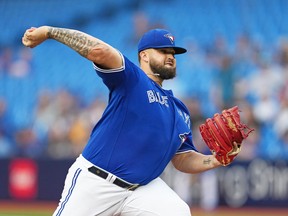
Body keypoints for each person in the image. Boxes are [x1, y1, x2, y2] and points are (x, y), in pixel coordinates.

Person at [22, 26, 222, 216]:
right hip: (97, 182)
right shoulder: (132, 79)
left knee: (178, 212)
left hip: (141, 190)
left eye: (172, 52)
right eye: (163, 51)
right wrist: (50, 32)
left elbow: (182, 158)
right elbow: (100, 51)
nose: (170, 56)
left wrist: (215, 159)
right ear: (144, 55)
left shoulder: (180, 111)